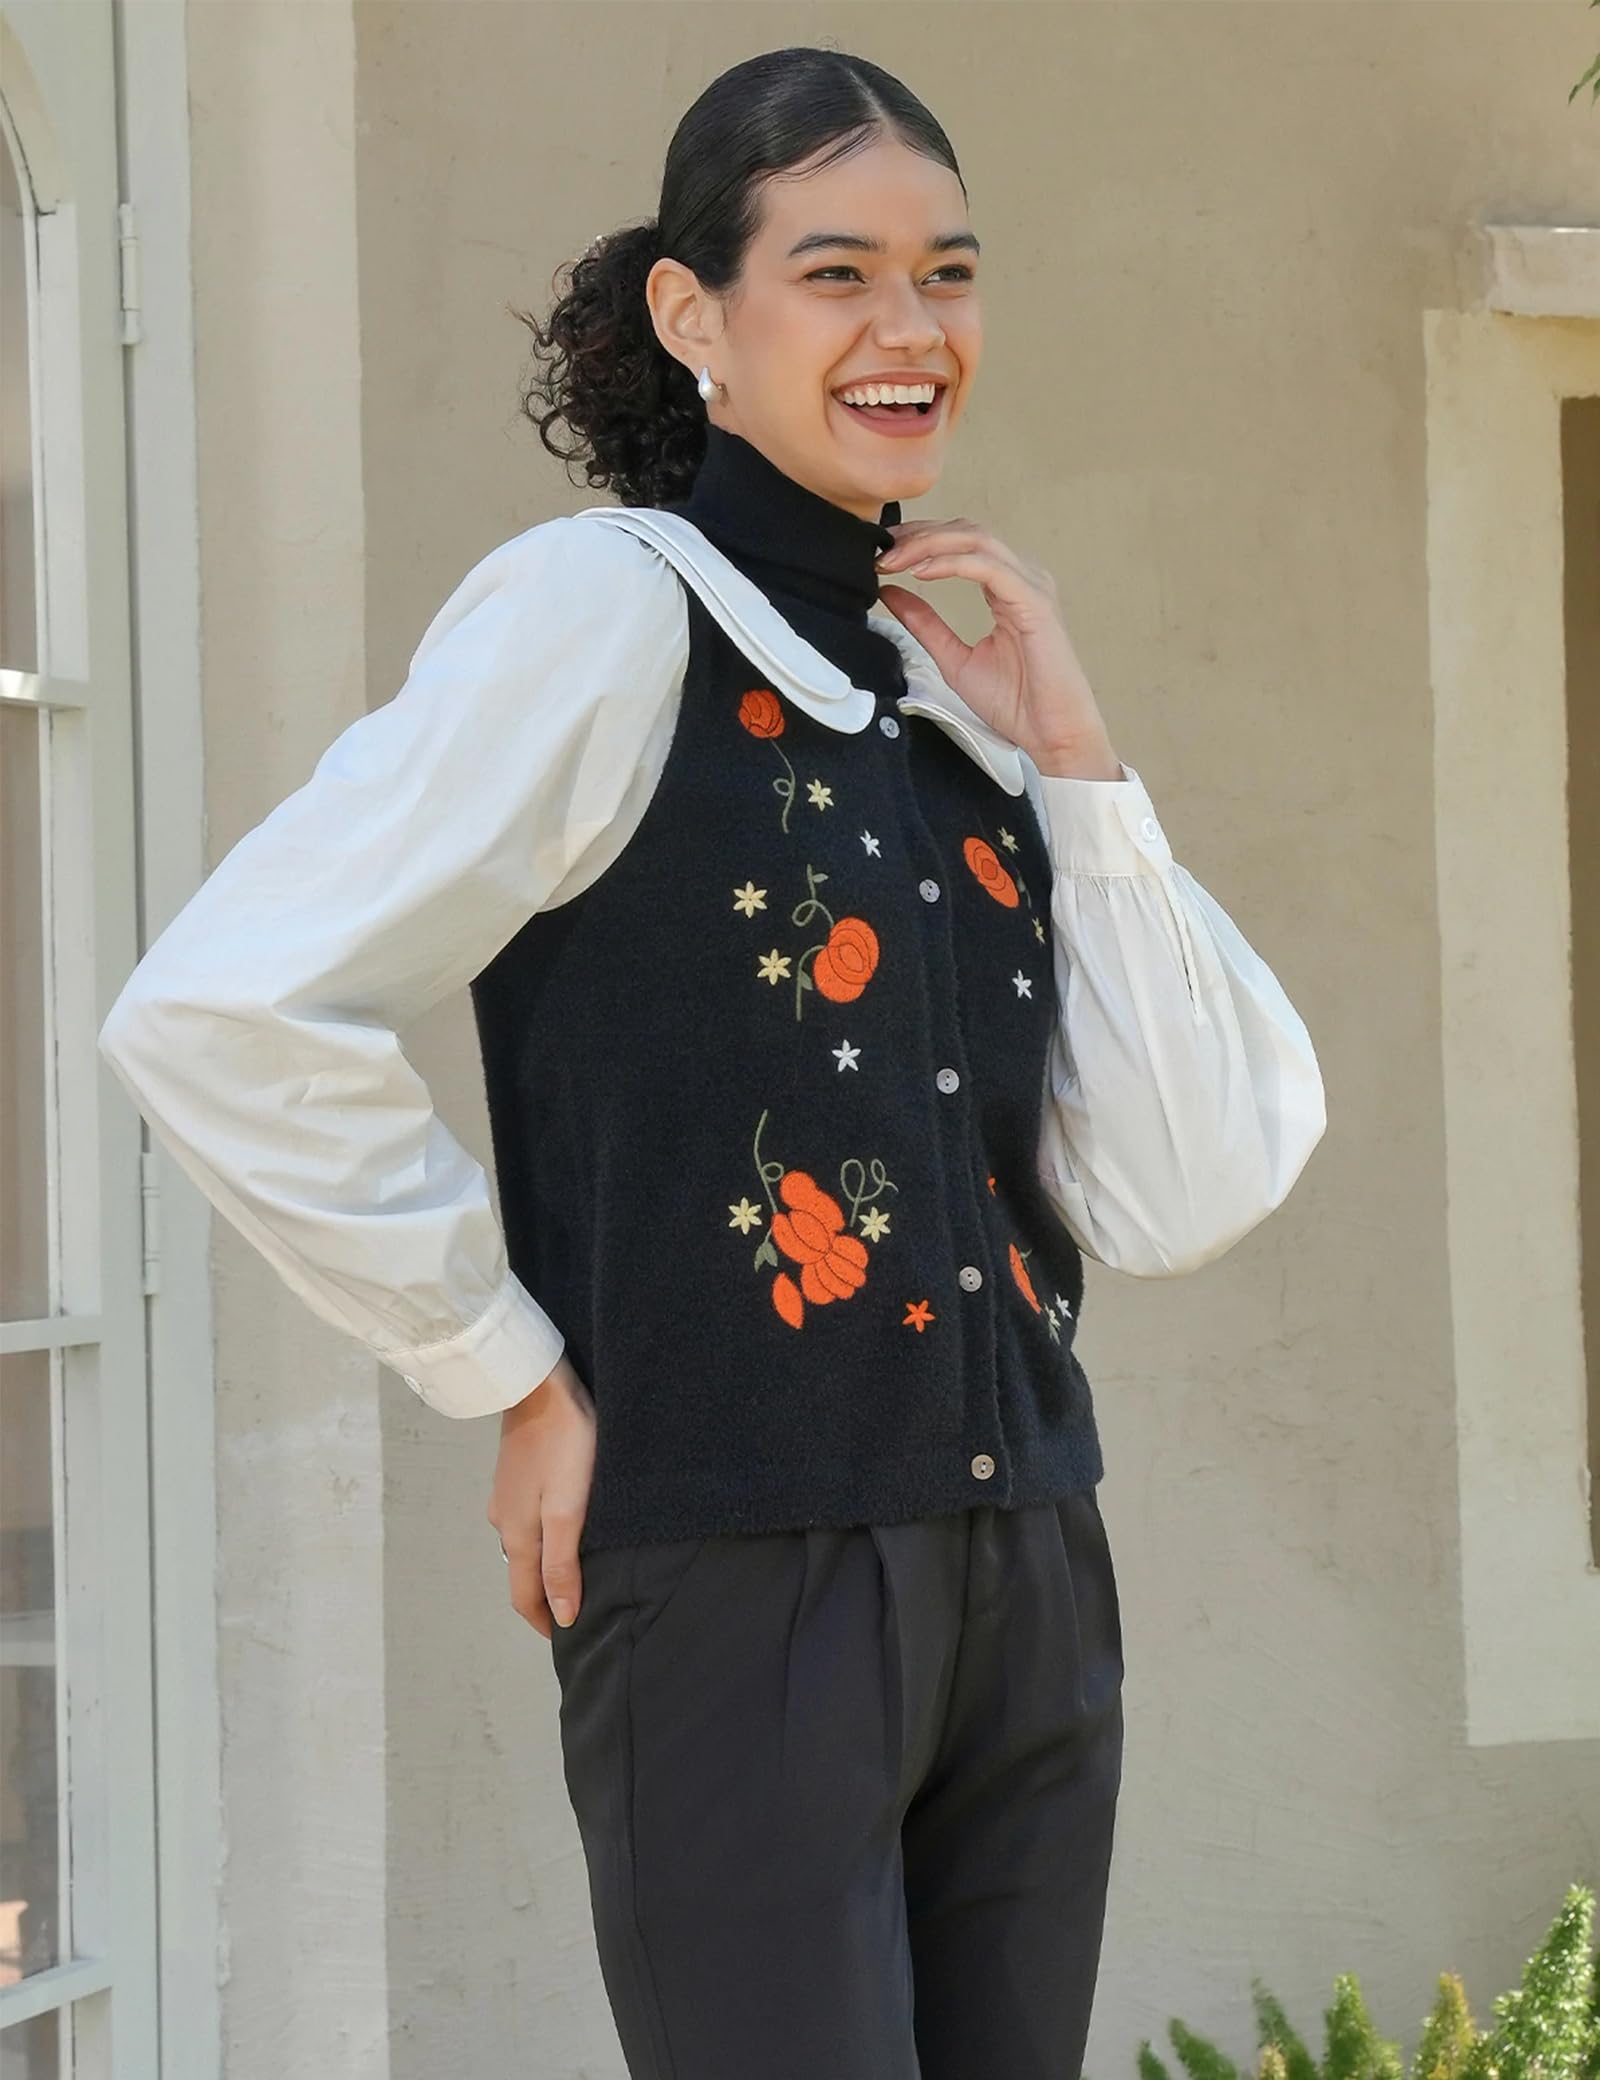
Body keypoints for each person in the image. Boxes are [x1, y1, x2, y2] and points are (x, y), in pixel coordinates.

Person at [97, 44, 1326, 2080]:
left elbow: (1184, 1181)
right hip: (737, 1574)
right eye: (835, 273)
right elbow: (220, 1004)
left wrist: (1075, 755)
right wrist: (502, 1364)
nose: (907, 328)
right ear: (695, 315)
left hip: (1031, 1564)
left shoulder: (946, 677)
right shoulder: (600, 612)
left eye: (945, 272)